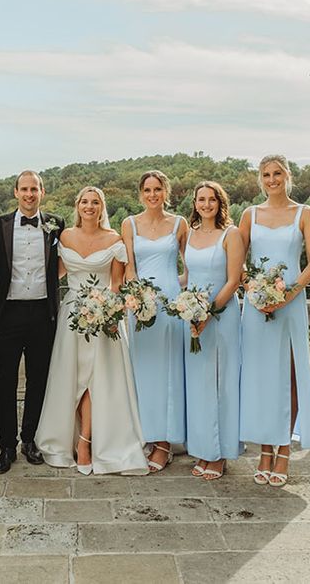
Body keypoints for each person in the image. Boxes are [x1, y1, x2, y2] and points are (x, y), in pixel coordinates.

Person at [36, 187, 148, 475]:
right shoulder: (64, 237)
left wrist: (110, 313)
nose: (89, 206)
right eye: (84, 202)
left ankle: (86, 441)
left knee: (96, 379)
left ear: (102, 207)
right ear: (77, 206)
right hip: (71, 316)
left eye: (95, 202)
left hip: (104, 318)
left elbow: (117, 285)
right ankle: (71, 439)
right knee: (72, 378)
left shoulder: (114, 240)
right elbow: (55, 273)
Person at [238, 155, 310, 487]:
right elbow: (238, 260)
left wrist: (287, 295)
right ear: (259, 179)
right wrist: (253, 291)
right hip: (256, 308)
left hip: (290, 303)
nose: (271, 179)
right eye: (265, 175)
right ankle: (264, 450)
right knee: (260, 377)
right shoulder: (250, 215)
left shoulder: (305, 213)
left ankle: (284, 449)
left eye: (277, 173)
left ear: (288, 176)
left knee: (288, 376)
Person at [0, 171, 64, 474]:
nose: (29, 194)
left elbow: (63, 262)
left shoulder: (56, 223)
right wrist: (6, 285)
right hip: (8, 312)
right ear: (16, 192)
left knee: (39, 379)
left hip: (43, 314)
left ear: (42, 192)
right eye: (24, 189)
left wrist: (45, 285)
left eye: (34, 189)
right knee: (4, 381)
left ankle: (29, 439)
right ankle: (6, 445)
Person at [122, 170, 188, 472]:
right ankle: (146, 435)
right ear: (140, 194)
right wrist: (137, 298)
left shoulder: (179, 223)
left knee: (168, 371)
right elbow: (130, 269)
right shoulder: (129, 224)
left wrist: (179, 293)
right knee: (143, 371)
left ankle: (164, 443)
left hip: (171, 305)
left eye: (157, 189)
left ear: (166, 192)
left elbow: (191, 265)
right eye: (147, 190)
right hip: (140, 307)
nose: (152, 195)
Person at [183, 181, 244, 480]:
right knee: (199, 385)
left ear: (220, 203)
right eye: (201, 199)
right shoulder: (190, 234)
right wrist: (180, 303)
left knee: (221, 384)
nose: (206, 204)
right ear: (194, 203)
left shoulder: (231, 235)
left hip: (222, 316)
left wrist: (209, 312)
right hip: (193, 318)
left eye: (212, 200)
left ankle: (220, 453)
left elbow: (233, 280)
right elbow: (187, 275)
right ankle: (203, 448)